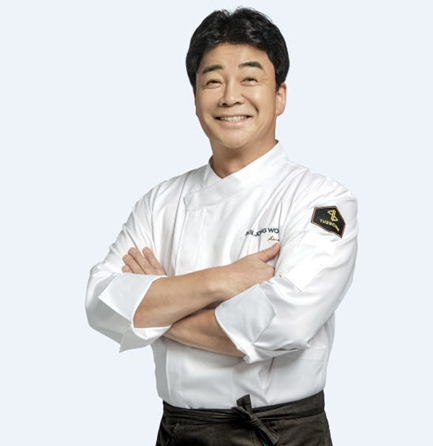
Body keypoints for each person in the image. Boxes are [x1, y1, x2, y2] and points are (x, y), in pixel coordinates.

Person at [86, 7, 358, 445]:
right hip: (178, 431)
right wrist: (221, 281)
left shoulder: (320, 200)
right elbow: (101, 303)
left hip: (279, 433)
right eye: (213, 81)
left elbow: (283, 324)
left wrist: (156, 306)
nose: (231, 96)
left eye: (250, 78)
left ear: (280, 96)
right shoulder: (161, 202)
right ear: (195, 97)